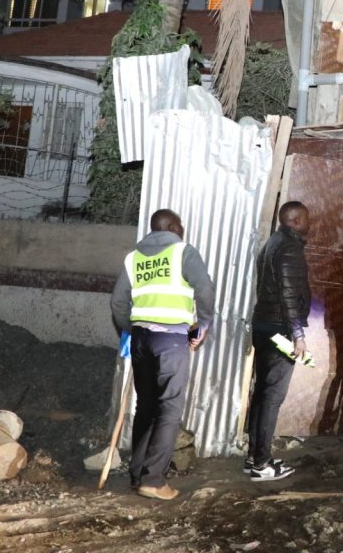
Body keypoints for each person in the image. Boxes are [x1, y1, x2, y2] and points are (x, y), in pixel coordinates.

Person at [110, 209, 215, 501]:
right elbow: (204, 290)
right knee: (169, 408)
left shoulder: (134, 258)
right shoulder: (183, 252)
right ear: (172, 227)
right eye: (179, 225)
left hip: (141, 339)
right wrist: (204, 325)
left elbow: (118, 302)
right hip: (170, 341)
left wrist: (128, 331)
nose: (182, 230)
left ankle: (137, 473)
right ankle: (154, 481)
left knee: (145, 406)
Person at [244, 201, 312, 481]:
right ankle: (262, 465)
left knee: (262, 394)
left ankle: (254, 457)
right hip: (279, 329)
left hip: (264, 325)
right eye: (307, 219)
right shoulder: (289, 248)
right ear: (295, 220)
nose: (310, 224)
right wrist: (297, 333)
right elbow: (288, 293)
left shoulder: (272, 243)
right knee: (272, 397)